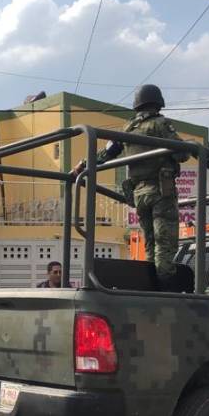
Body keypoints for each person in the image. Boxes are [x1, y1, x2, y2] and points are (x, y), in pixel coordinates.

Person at [75, 84, 190, 288]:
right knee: (165, 242)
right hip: (161, 191)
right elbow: (182, 154)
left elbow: (106, 153)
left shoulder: (128, 128)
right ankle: (166, 287)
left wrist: (84, 164)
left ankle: (150, 284)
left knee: (150, 242)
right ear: (158, 103)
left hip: (139, 194)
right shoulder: (160, 124)